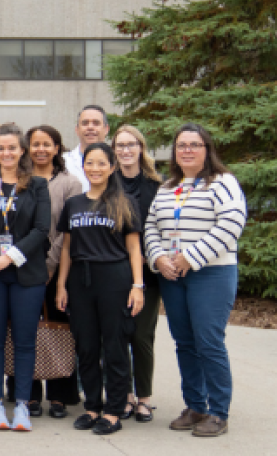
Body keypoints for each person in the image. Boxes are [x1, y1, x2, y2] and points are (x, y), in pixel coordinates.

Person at [144, 124, 246, 438]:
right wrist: (159, 258)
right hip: (173, 276)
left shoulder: (222, 182)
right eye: (182, 145)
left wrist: (192, 256)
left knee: (208, 341)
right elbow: (151, 226)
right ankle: (195, 405)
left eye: (195, 144)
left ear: (207, 149)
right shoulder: (167, 187)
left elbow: (231, 223)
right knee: (185, 343)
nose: (187, 150)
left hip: (211, 274)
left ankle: (218, 411)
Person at [56, 142, 145, 436]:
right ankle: (92, 406)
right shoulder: (74, 204)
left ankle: (114, 410)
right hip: (80, 281)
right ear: (84, 167)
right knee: (87, 346)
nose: (95, 169)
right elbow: (67, 247)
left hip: (114, 279)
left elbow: (134, 248)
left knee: (116, 345)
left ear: (112, 167)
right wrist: (61, 285)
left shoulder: (124, 202)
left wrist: (137, 286)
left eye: (101, 163)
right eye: (90, 163)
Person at [0, 123, 50, 432]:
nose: (6, 153)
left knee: (24, 342)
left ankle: (21, 405)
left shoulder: (36, 185)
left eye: (12, 147)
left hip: (26, 275)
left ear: (22, 151)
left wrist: (10, 257)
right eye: (0, 148)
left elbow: (42, 230)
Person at [25, 125, 83, 418]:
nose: (41, 150)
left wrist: (49, 264)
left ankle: (59, 395)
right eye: (35, 144)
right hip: (23, 266)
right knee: (26, 330)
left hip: (57, 269)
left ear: (57, 148)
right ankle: (30, 394)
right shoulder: (21, 181)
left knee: (58, 327)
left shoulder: (70, 183)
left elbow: (67, 229)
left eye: (47, 144)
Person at [112, 125, 163, 422]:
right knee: (117, 336)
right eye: (120, 145)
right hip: (114, 272)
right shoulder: (107, 182)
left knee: (142, 336)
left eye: (131, 144)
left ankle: (144, 397)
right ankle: (125, 396)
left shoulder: (157, 185)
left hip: (148, 273)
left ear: (141, 148)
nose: (126, 150)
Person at [63, 105, 110, 192]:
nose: (90, 127)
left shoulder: (117, 161)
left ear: (106, 129)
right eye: (85, 123)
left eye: (96, 123)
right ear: (77, 130)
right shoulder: (64, 162)